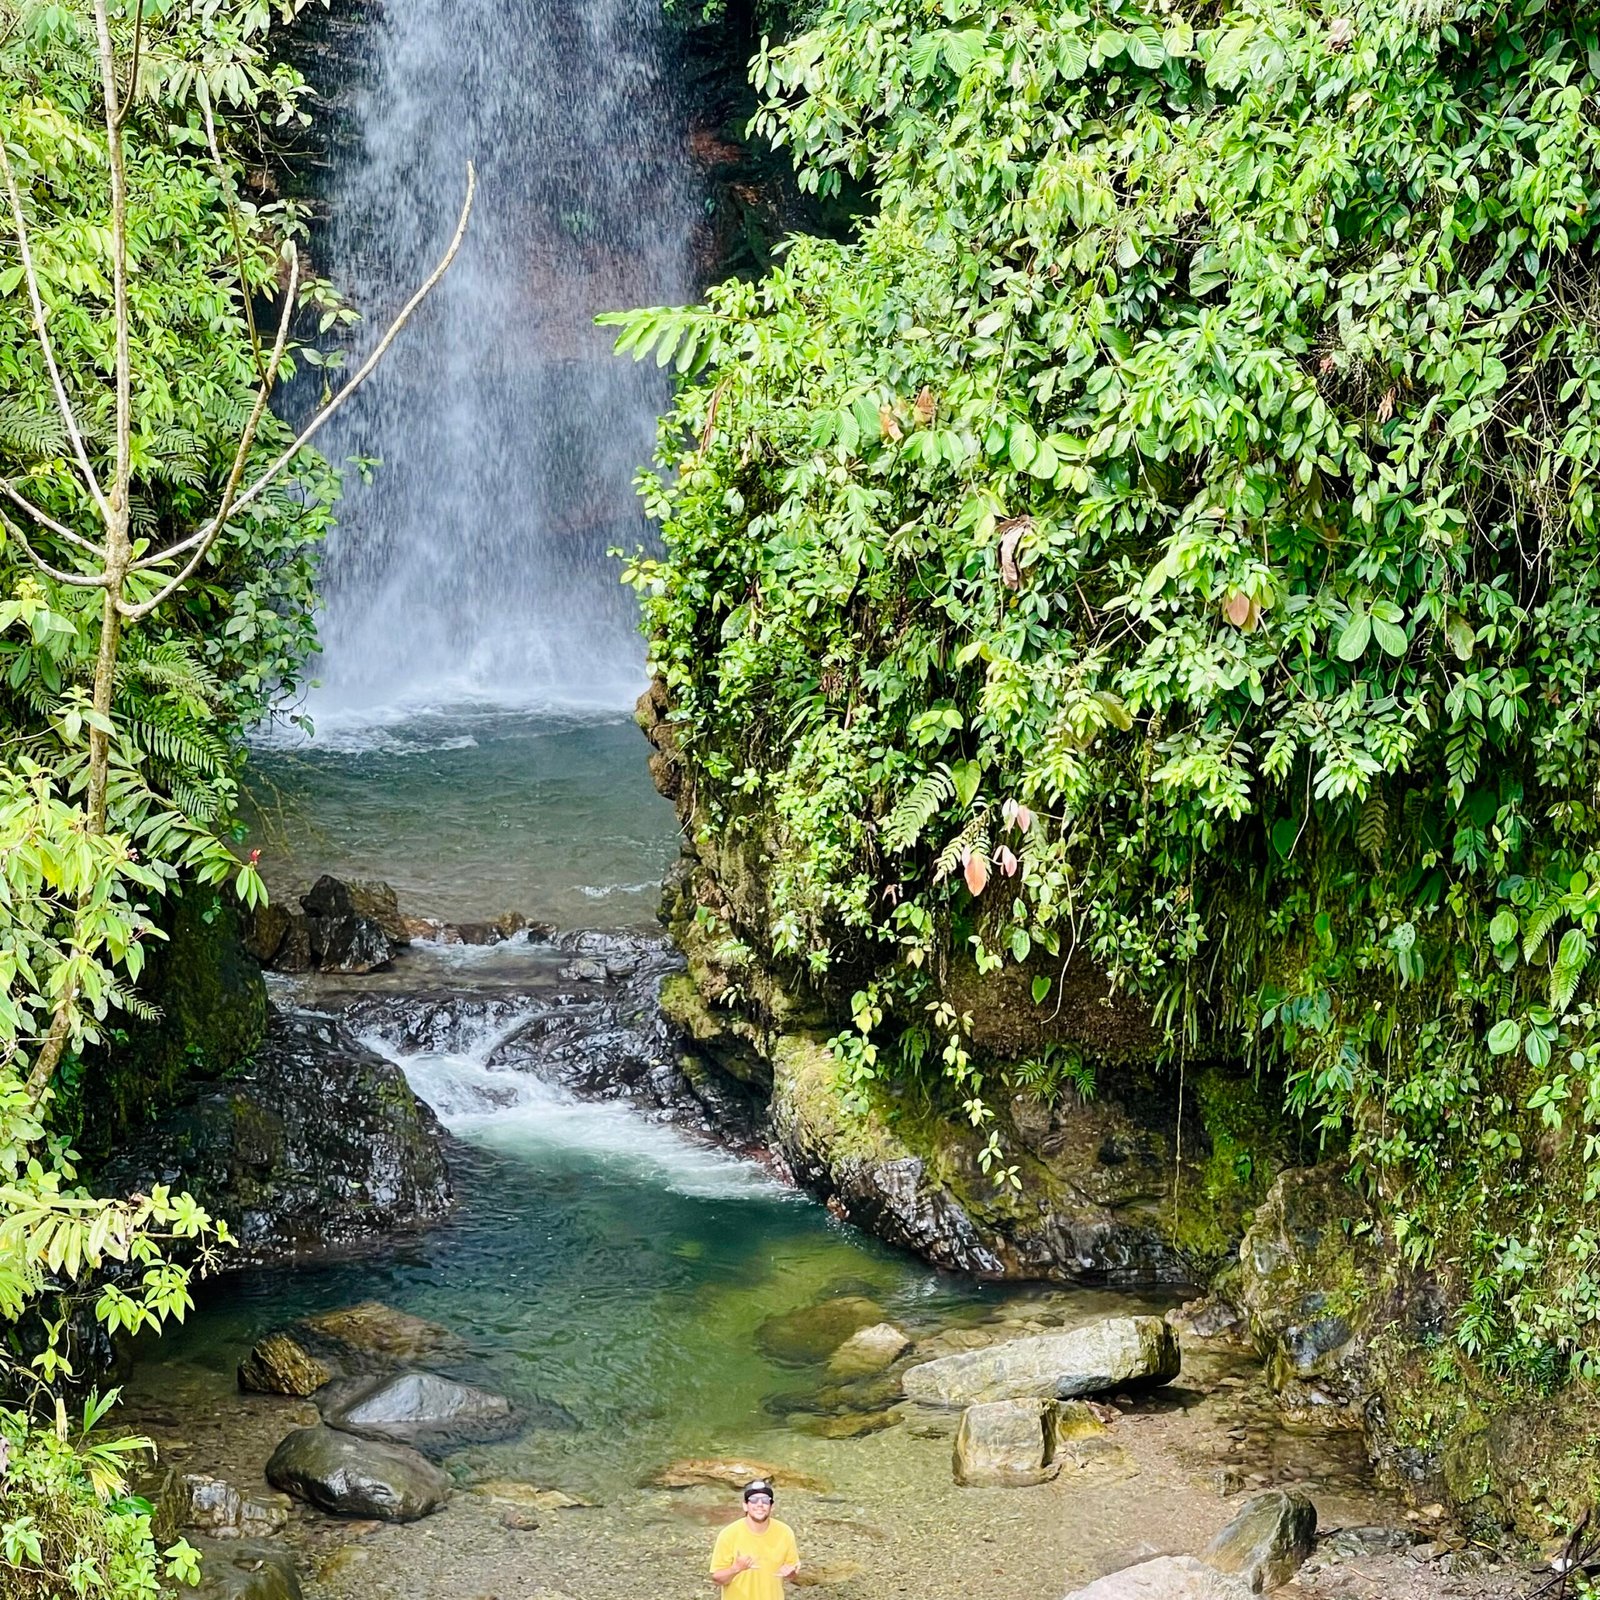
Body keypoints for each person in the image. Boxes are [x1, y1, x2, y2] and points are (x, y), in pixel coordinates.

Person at [709, 1479, 800, 1598]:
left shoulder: (785, 1532)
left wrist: (791, 1574)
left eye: (765, 1500)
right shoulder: (728, 1534)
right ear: (745, 1506)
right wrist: (736, 1568)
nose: (760, 1504)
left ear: (771, 1507)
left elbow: (792, 1574)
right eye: (753, 1500)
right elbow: (717, 1579)